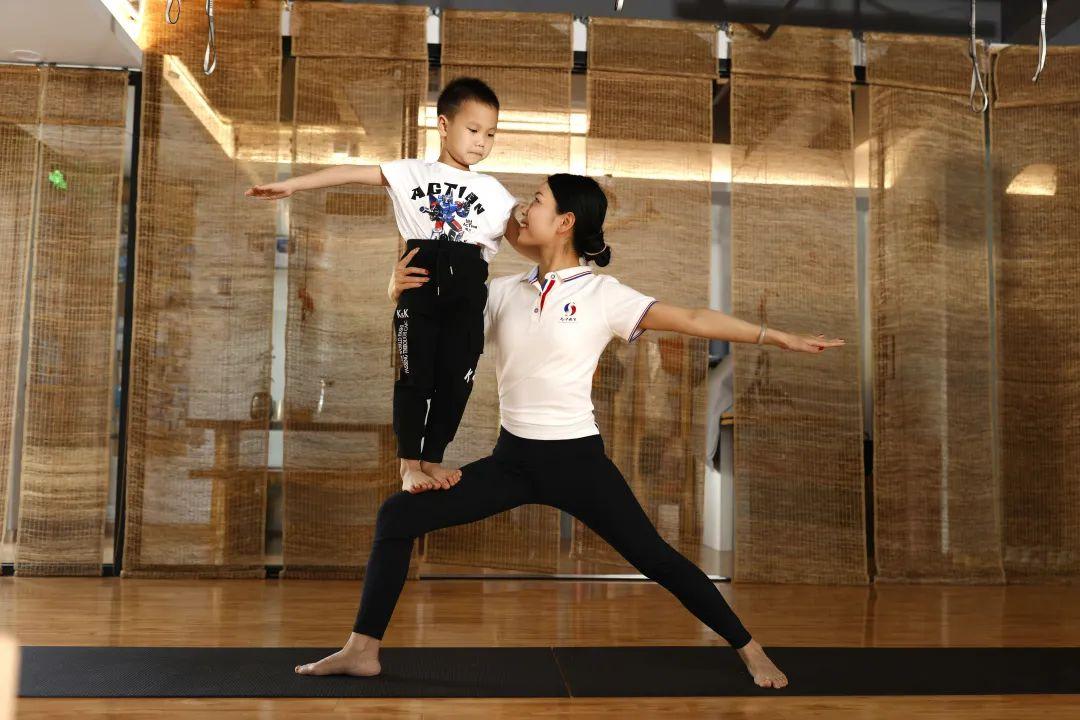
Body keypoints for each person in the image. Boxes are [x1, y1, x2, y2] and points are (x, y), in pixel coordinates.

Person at [293, 173, 846, 689]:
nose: (523, 209)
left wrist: (778, 337)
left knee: (655, 558)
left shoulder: (603, 295)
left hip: (578, 464)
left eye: (536, 201)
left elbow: (696, 320)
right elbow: (434, 341)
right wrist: (397, 291)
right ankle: (362, 650)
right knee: (397, 516)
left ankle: (748, 647)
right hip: (512, 461)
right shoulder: (500, 291)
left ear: (565, 222)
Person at [247, 78, 518, 494]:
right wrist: (293, 184)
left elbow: (527, 235)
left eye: (491, 134)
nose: (482, 142)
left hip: (467, 293)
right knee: (415, 379)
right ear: (443, 125)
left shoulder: (494, 192)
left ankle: (432, 459)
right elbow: (349, 173)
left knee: (456, 382)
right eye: (473, 129)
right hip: (420, 284)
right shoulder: (411, 172)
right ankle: (409, 464)